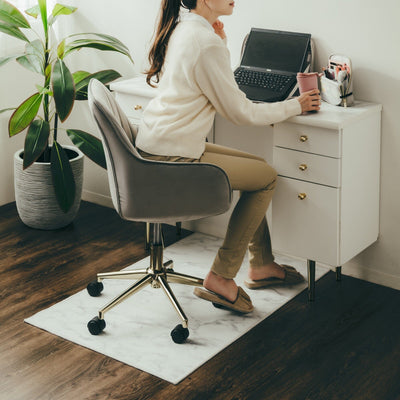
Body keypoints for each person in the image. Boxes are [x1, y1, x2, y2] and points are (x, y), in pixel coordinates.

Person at [136, 0, 321, 313]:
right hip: (174, 156)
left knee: (259, 169)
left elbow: (212, 82)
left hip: (163, 144)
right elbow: (240, 111)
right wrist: (296, 105)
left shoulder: (188, 29)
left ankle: (261, 264)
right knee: (266, 179)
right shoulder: (204, 40)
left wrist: (221, 42)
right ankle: (221, 277)